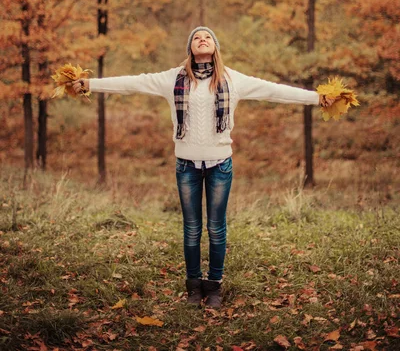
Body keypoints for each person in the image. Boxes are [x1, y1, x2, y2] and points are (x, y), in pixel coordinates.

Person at [71, 26, 336, 309]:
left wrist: (316, 97)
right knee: (192, 228)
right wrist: (90, 84)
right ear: (190, 48)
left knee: (216, 228)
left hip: (220, 165)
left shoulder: (233, 80)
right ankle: (194, 287)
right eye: (196, 37)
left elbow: (274, 91)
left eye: (207, 36)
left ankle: (214, 287)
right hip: (186, 166)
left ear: (215, 46)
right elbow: (133, 83)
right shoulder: (172, 78)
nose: (202, 39)